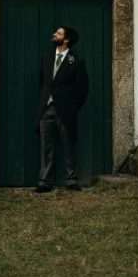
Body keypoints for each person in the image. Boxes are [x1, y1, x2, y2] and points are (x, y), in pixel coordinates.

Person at [34, 25, 89, 193]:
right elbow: (43, 82)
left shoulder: (76, 61)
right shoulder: (46, 58)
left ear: (66, 39)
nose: (54, 34)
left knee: (68, 146)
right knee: (46, 147)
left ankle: (71, 180)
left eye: (58, 33)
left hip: (66, 111)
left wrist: (72, 108)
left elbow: (83, 88)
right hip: (46, 110)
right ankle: (44, 182)